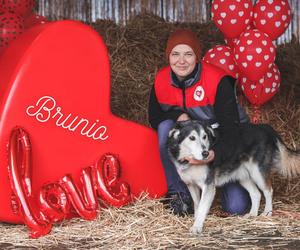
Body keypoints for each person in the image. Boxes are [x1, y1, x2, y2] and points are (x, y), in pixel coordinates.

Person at [148, 29, 251, 216]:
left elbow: (232, 130)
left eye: (188, 54)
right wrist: (177, 115)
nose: (181, 61)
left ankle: (216, 183)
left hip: (224, 141)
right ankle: (179, 195)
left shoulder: (218, 80)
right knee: (165, 128)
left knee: (236, 208)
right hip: (194, 142)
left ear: (197, 56)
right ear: (168, 56)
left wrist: (213, 154)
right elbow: (154, 118)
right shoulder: (161, 80)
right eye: (175, 54)